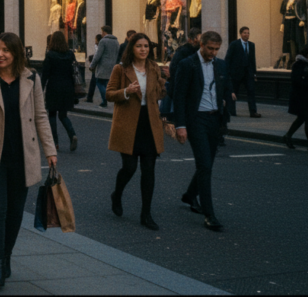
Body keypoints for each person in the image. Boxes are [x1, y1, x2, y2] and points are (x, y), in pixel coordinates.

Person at [0, 32, 56, 290]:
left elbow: (41, 116)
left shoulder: (31, 78)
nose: (0, 54)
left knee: (14, 214)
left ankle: (7, 254)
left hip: (23, 158)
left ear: (16, 53)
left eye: (6, 50)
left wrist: (50, 151)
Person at [173, 31, 234, 232]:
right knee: (205, 165)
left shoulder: (221, 64)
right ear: (201, 45)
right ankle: (209, 214)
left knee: (207, 165)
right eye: (210, 48)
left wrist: (226, 104)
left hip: (215, 119)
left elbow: (224, 88)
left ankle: (190, 195)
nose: (213, 53)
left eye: (216, 49)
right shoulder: (187, 64)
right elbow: (179, 96)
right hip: (196, 120)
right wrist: (180, 126)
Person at [106, 33, 165, 230]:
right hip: (128, 124)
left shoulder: (154, 68)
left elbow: (159, 93)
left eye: (146, 46)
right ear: (132, 48)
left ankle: (146, 214)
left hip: (149, 123)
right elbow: (109, 94)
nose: (143, 49)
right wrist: (126, 92)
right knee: (130, 168)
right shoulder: (120, 69)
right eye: (139, 46)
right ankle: (117, 194)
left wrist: (164, 85)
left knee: (149, 170)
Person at [42, 31, 78, 152]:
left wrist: (40, 89)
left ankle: (55, 143)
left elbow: (45, 74)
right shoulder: (70, 54)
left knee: (52, 114)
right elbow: (74, 73)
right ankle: (72, 134)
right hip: (67, 87)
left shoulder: (50, 55)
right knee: (63, 115)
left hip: (53, 87)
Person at [225, 27, 261, 118]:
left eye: (248, 33)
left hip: (248, 73)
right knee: (234, 91)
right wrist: (227, 70)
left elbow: (253, 60)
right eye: (245, 33)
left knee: (251, 91)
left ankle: (253, 112)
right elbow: (228, 58)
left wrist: (254, 73)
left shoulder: (251, 45)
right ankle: (231, 111)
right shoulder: (234, 44)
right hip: (236, 72)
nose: (246, 35)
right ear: (240, 34)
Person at [89, 26, 119, 108]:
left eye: (102, 32)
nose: (101, 34)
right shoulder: (116, 42)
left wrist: (92, 65)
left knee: (99, 82)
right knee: (106, 83)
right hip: (112, 66)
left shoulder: (103, 41)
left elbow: (97, 55)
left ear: (104, 32)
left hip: (103, 66)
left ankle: (105, 100)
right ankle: (105, 99)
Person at [85, 34, 102, 104]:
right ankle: (89, 97)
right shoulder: (97, 46)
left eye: (95, 39)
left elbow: (97, 56)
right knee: (95, 82)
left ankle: (90, 97)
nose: (95, 41)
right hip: (98, 66)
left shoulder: (100, 46)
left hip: (97, 66)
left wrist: (92, 65)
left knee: (94, 82)